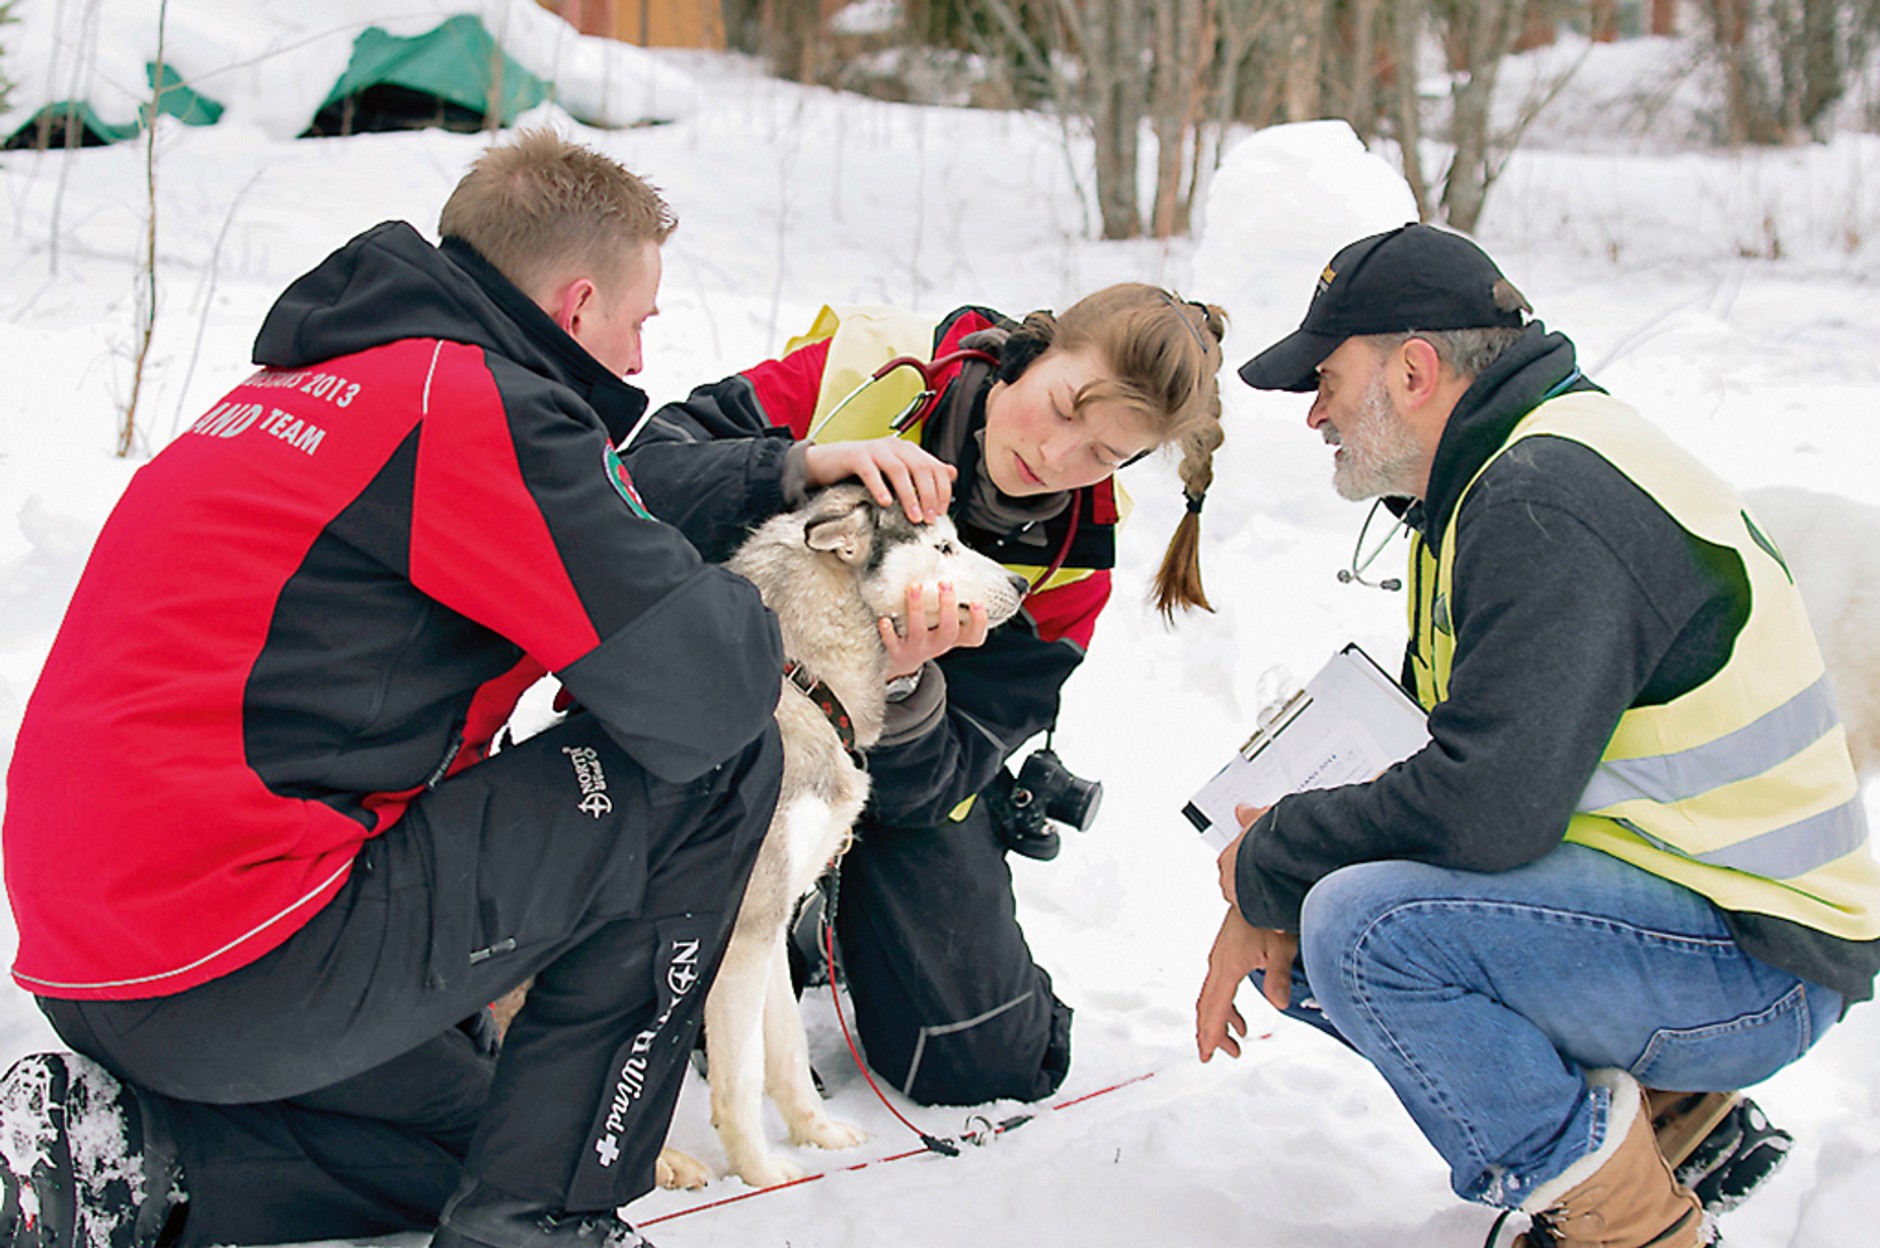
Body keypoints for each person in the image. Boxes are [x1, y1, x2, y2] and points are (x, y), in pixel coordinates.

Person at [0, 131, 788, 1248]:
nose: (641, 347)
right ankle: (542, 1220)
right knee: (723, 764)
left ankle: (131, 1164)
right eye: (640, 317)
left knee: (487, 1130)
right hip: (244, 951)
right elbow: (706, 692)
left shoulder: (316, 384)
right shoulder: (478, 406)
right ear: (575, 306)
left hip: (103, 965)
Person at [1206, 222, 1880, 1247]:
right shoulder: (1491, 474)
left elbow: (1488, 808)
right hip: (1688, 908)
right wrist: (1266, 879)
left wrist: (1278, 856)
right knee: (1299, 924)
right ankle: (1668, 1126)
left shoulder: (1541, 498)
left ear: (1415, 370)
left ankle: (1630, 1225)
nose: (1314, 412)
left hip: (1761, 960)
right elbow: (1450, 752)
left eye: (1326, 378)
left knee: (1361, 928)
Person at [623, 285, 1227, 1106]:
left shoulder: (1073, 567)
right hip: (713, 713)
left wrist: (902, 687)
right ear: (1029, 353)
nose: (1057, 457)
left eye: (1102, 456)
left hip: (885, 785)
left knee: (979, 1064)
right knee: (625, 1001)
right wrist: (796, 467)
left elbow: (942, 779)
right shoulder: (864, 375)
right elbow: (636, 479)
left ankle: (830, 919)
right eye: (1058, 408)